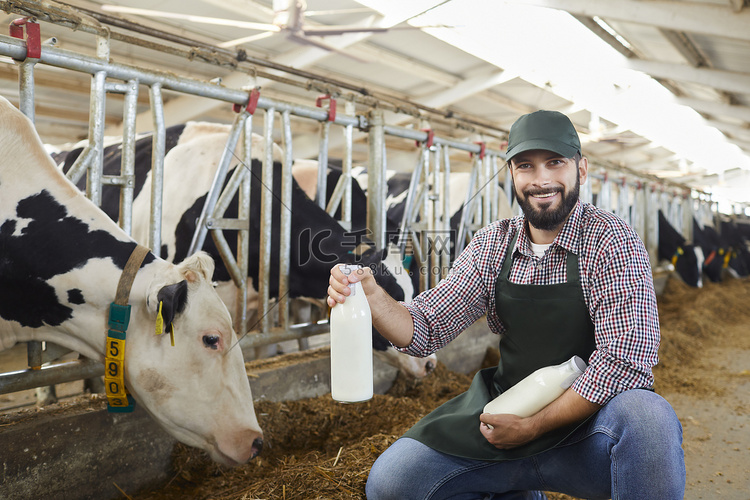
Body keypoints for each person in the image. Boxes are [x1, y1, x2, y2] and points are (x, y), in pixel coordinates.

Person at [327, 110, 685, 499]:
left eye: (555, 163)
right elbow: (426, 326)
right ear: (512, 174)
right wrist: (376, 298)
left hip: (589, 431)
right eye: (526, 166)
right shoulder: (494, 242)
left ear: (581, 169)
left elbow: (626, 360)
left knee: (649, 418)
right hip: (509, 410)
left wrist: (534, 426)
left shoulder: (610, 239)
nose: (541, 179)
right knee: (393, 482)